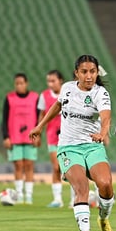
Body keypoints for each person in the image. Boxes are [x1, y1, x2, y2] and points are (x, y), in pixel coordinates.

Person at [29, 55, 115, 231]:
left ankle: (104, 219)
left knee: (106, 184)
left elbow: (106, 117)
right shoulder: (67, 88)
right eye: (84, 71)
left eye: (92, 71)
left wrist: (102, 133)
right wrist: (40, 126)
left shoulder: (100, 93)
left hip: (92, 146)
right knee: (81, 187)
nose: (89, 76)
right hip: (68, 147)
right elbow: (57, 105)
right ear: (77, 73)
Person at [37, 70, 75, 208]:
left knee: (71, 167)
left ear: (61, 80)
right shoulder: (45, 96)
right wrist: (39, 130)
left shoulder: (70, 92)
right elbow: (42, 115)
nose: (50, 84)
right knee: (56, 167)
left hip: (69, 136)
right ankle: (57, 200)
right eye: (49, 81)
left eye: (53, 80)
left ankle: (74, 199)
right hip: (52, 136)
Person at [2, 73, 39, 205]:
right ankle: (19, 194)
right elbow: (4, 118)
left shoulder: (35, 97)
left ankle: (28, 196)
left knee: (29, 165)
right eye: (17, 83)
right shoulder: (9, 98)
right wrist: (5, 136)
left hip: (31, 137)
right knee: (18, 166)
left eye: (21, 83)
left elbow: (40, 118)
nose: (19, 85)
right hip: (14, 137)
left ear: (26, 83)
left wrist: (38, 134)